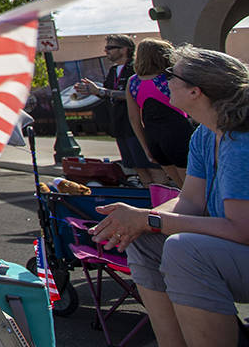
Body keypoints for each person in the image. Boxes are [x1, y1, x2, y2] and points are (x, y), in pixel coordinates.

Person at [90, 45, 249, 347]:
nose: (166, 81)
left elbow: (241, 230)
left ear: (195, 92)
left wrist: (151, 219)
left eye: (172, 75)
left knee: (184, 249)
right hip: (234, 251)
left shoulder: (240, 141)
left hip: (240, 244)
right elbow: (190, 202)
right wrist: (138, 222)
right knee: (144, 239)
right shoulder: (205, 134)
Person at [76, 34, 163, 186]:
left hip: (137, 126)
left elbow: (132, 94)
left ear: (124, 49)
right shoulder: (113, 71)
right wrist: (92, 91)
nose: (106, 51)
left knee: (153, 167)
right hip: (121, 127)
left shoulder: (136, 68)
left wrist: (102, 91)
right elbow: (108, 93)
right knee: (138, 167)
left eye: (110, 47)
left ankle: (167, 198)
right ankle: (151, 199)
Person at [127, 38, 195, 188]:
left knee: (180, 187)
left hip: (153, 138)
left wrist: (146, 147)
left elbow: (134, 118)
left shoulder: (133, 82)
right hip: (178, 134)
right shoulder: (168, 79)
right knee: (194, 187)